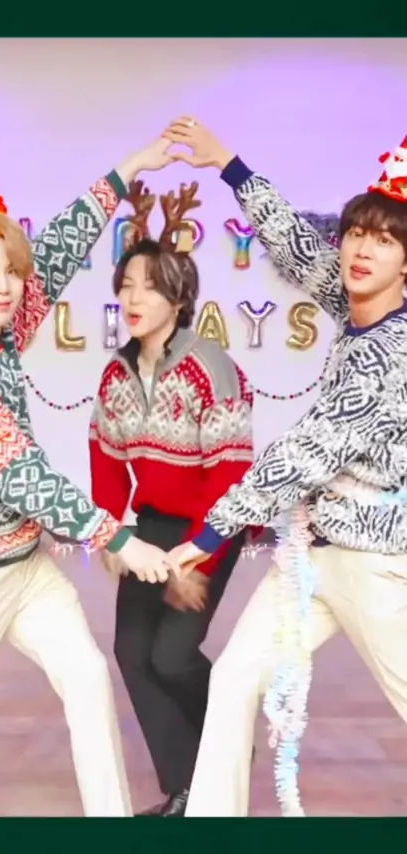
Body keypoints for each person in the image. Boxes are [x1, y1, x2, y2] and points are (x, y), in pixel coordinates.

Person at [0, 137, 181, 818]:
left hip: (24, 564)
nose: (5, 285)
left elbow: (62, 246)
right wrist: (118, 539)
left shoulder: (1, 332)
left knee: (88, 678)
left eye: (11, 270)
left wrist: (129, 170)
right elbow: (24, 477)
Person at [162, 117, 407, 817]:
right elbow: (298, 247)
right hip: (309, 556)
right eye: (356, 232)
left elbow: (305, 451)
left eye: (385, 240)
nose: (362, 249)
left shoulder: (392, 352)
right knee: (236, 678)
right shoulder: (356, 302)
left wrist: (212, 532)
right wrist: (229, 165)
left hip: (372, 562)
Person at [88, 178, 259, 816]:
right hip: (153, 524)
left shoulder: (211, 367)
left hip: (212, 525)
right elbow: (106, 457)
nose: (134, 298)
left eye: (150, 287)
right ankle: (187, 788)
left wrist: (199, 558)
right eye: (126, 285)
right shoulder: (116, 372)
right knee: (131, 653)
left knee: (173, 655)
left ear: (180, 297)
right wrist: (111, 534)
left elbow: (229, 477)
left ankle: (229, 738)